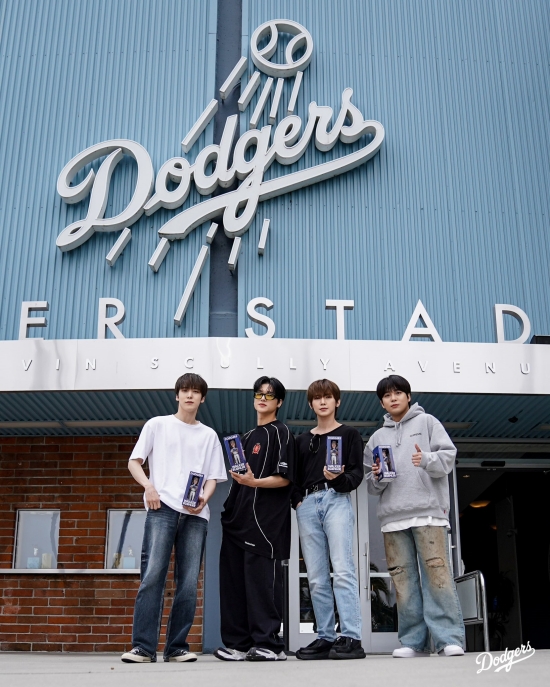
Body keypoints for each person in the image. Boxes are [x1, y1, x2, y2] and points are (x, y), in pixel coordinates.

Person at [121, 373, 227, 663]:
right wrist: (148, 486)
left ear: (202, 398)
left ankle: (176, 647)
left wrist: (204, 498)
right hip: (162, 508)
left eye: (195, 391)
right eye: (185, 390)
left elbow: (213, 477)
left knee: (188, 582)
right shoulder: (157, 425)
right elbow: (134, 462)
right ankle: (143, 647)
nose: (190, 395)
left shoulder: (208, 435)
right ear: (177, 395)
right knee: (153, 576)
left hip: (196, 515)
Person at [364, 374, 465, 658]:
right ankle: (413, 642)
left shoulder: (428, 422)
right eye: (387, 395)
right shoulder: (376, 438)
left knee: (437, 576)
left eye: (398, 393)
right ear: (382, 403)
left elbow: (448, 457)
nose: (393, 398)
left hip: (428, 514)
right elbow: (371, 485)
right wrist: (378, 477)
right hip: (393, 519)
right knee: (403, 583)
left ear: (408, 396)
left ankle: (448, 639)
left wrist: (427, 459)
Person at [214, 376, 296, 663]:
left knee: (262, 586)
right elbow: (239, 480)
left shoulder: (281, 433)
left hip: (264, 524)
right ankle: (238, 645)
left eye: (269, 395)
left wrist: (254, 482)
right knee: (234, 586)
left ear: (279, 402)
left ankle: (269, 645)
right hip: (237, 522)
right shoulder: (246, 437)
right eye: (259, 394)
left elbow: (285, 478)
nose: (262, 399)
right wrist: (230, 509)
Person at [292, 379, 366, 660]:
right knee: (316, 577)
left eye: (328, 397)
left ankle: (351, 636)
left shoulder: (349, 434)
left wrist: (336, 480)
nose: (322, 402)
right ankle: (325, 636)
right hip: (307, 504)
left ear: (337, 401)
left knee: (343, 569)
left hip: (336, 500)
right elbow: (294, 478)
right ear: (311, 404)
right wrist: (297, 501)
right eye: (317, 398)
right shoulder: (301, 440)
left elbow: (356, 476)